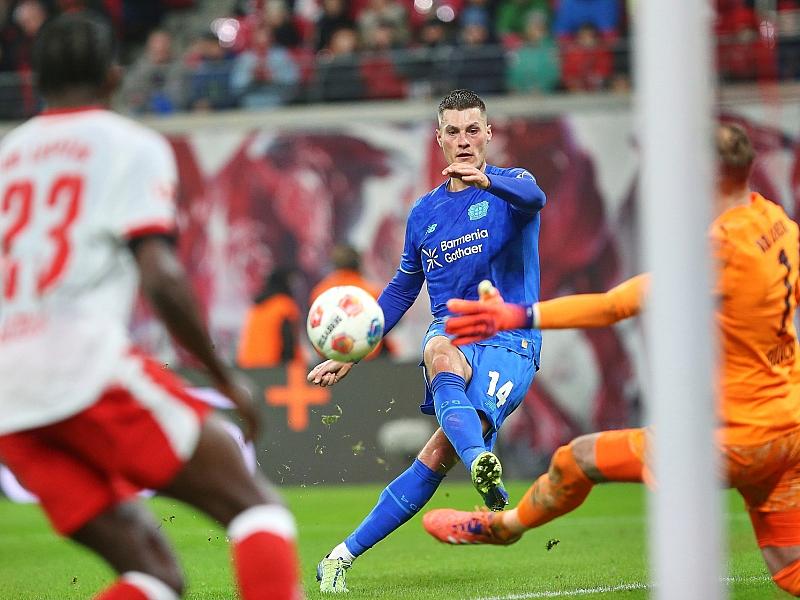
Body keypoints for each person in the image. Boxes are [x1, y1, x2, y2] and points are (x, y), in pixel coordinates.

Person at [423, 123, 800, 597]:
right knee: (790, 570)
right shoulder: (777, 222)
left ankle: (502, 527)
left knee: (576, 459)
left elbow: (613, 307)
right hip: (789, 430)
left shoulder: (720, 249)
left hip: (736, 441)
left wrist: (514, 315)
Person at [0, 13, 301, 600]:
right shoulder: (129, 145)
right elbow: (161, 276)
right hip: (82, 369)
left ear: (34, 79)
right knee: (256, 508)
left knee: (153, 575)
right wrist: (223, 376)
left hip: (9, 401)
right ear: (114, 77)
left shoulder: (7, 156)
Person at [308, 88, 547, 592]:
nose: (464, 140)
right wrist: (359, 348)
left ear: (488, 134)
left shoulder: (514, 187)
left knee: (439, 452)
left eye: (472, 130)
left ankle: (477, 459)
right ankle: (338, 558)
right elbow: (402, 287)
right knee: (437, 350)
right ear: (439, 139)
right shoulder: (424, 214)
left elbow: (536, 200)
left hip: (511, 339)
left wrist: (489, 181)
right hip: (453, 330)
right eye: (453, 131)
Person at [237, 267, 304, 368]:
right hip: (272, 368)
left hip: (248, 367)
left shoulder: (256, 308)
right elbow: (288, 344)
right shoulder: (284, 305)